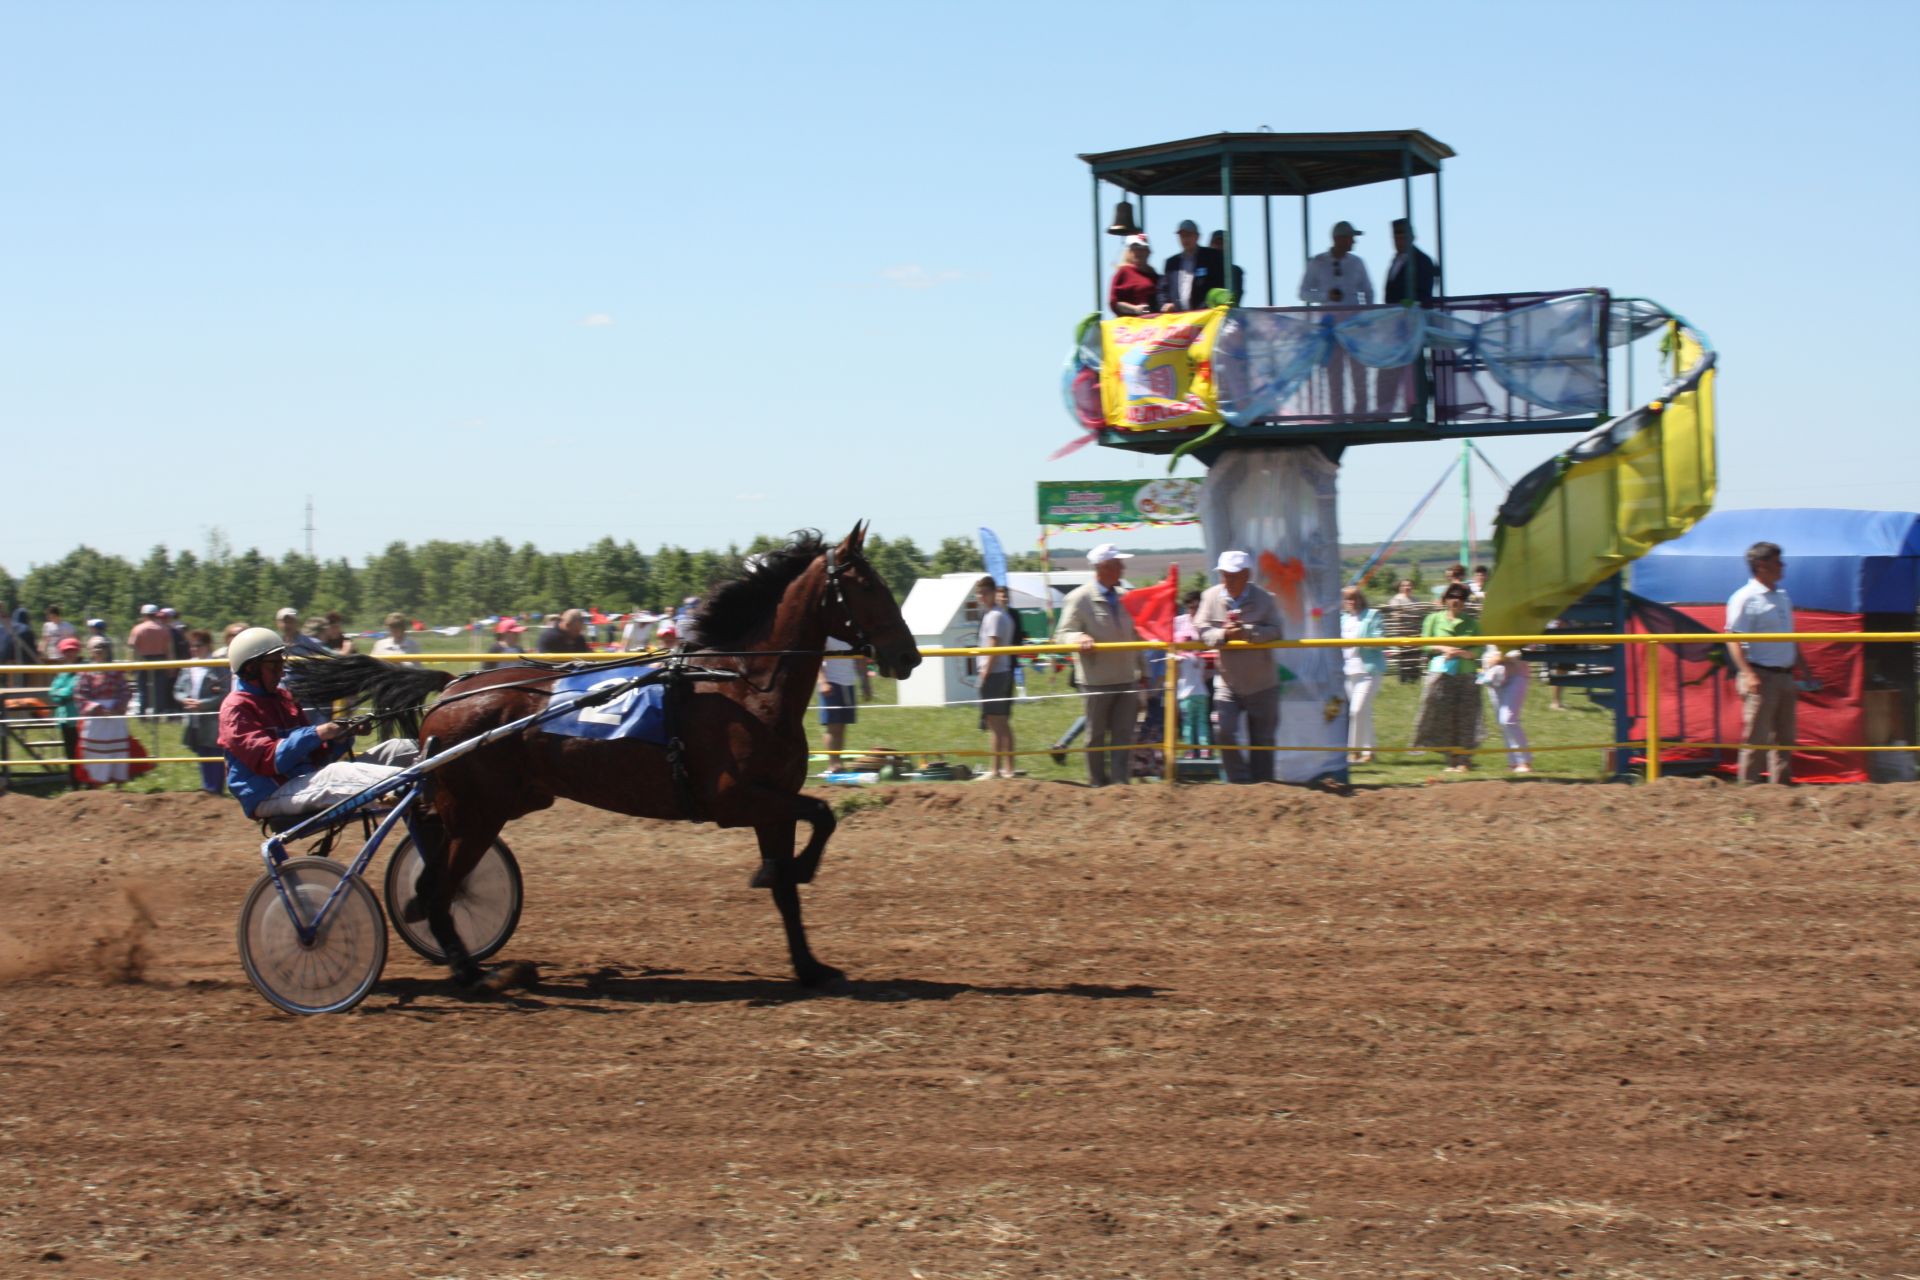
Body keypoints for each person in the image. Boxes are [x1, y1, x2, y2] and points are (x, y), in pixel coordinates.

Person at [218, 627, 417, 820]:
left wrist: (342, 735)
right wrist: (319, 732)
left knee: (397, 749)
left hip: (302, 780)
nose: (281, 673)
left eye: (282, 664)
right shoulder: (236, 708)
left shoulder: (283, 698)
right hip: (268, 794)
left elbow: (318, 756)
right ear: (251, 669)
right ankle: (414, 785)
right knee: (336, 773)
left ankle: (433, 767)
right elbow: (268, 760)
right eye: (274, 666)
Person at [1054, 544, 1149, 787]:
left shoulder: (1125, 598)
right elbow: (1062, 633)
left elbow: (1135, 637)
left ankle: (1119, 785)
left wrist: (1143, 674)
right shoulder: (1079, 598)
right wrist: (1078, 638)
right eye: (1118, 563)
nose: (1123, 568)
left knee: (1124, 736)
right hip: (1096, 680)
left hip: (1126, 678)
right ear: (1104, 567)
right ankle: (1097, 785)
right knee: (1095, 736)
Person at [1193, 550, 1286, 783]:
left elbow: (1277, 630)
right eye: (1224, 575)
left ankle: (1263, 787)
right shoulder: (1210, 597)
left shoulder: (1266, 599)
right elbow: (1201, 628)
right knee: (1223, 730)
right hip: (1228, 681)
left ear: (1247, 575)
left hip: (1262, 682)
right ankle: (1238, 783)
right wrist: (1223, 634)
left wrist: (1248, 633)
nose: (1228, 581)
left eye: (1233, 575)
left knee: (1263, 740)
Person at [1725, 540, 1811, 785]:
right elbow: (1733, 639)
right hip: (1761, 675)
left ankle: (1781, 788)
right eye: (1778, 562)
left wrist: (1803, 668)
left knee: (1785, 737)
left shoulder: (1782, 596)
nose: (1783, 566)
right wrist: (1748, 674)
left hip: (1785, 675)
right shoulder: (1745, 598)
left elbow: (1790, 636)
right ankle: (1748, 787)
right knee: (1757, 737)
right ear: (1762, 565)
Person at [1411, 583, 1483, 772]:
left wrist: (1468, 653)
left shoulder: (1472, 623)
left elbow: (1479, 647)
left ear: (1465, 602)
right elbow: (1425, 643)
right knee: (1442, 716)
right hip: (1441, 672)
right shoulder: (1433, 619)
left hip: (1466, 674)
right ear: (1445, 599)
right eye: (1452, 596)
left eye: (1460, 597)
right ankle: (1450, 758)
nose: (1456, 600)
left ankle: (1464, 759)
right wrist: (1443, 648)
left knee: (1467, 717)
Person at [174, 628, 230, 795]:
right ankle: (207, 786)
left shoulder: (218, 666)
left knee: (214, 752)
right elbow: (177, 688)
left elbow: (225, 692)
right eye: (191, 646)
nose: (194, 649)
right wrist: (184, 699)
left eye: (198, 645)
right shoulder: (188, 666)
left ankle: (215, 788)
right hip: (194, 718)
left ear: (208, 646)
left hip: (212, 718)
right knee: (201, 751)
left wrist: (203, 704)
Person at [972, 576, 1017, 779]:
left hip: (995, 673)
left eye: (984, 593)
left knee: (996, 723)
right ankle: (1005, 768)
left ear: (992, 592)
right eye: (979, 593)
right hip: (1001, 672)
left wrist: (984, 673)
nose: (981, 597)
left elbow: (993, 646)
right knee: (1000, 723)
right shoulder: (998, 614)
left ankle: (998, 769)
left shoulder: (994, 617)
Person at [75, 636, 131, 787]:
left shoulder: (117, 671)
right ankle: (96, 786)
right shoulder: (86, 672)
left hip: (115, 715)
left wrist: (119, 706)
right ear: (90, 651)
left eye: (103, 646)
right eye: (96, 647)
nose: (100, 650)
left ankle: (119, 787)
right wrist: (96, 708)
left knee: (118, 751)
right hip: (96, 718)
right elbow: (80, 694)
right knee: (96, 752)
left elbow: (125, 690)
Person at [1340, 586, 1387, 764]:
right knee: (1363, 712)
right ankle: (1369, 751)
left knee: (1356, 710)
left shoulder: (1372, 616)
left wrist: (1364, 643)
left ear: (1361, 599)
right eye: (1347, 599)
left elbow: (1379, 638)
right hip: (1348, 670)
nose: (1351, 602)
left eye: (1354, 598)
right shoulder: (1342, 619)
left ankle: (1354, 752)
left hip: (1368, 670)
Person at [1479, 642, 1533, 774]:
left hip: (1517, 674)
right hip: (1494, 675)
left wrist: (1502, 657)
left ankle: (1524, 761)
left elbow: (1528, 648)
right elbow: (1488, 648)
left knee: (1508, 719)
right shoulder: (1490, 626)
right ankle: (1513, 762)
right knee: (1502, 721)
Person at [1172, 590, 1212, 760]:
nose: (1193, 611)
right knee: (1198, 722)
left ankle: (1194, 750)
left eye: (1196, 607)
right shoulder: (1179, 623)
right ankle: (1202, 749)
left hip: (1190, 693)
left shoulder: (1185, 658)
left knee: (1192, 723)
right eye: (1190, 607)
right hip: (1198, 692)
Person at [1298, 220, 1373, 306]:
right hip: (1328, 318)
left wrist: (1367, 313)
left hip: (1353, 318)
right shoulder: (1317, 262)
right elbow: (1303, 293)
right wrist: (1326, 296)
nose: (1353, 241)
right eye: (1350, 237)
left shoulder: (1357, 263)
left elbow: (1368, 291)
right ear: (1338, 239)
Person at [1160, 219, 1229, 312]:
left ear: (1197, 237)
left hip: (1204, 316)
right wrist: (1165, 304)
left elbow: (1219, 284)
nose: (1185, 239)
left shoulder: (1212, 257)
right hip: (1178, 319)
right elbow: (1162, 289)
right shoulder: (1171, 263)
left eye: (1188, 235)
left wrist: (1206, 306)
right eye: (1182, 236)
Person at [817, 636, 859, 768]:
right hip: (831, 683)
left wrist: (865, 683)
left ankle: (838, 762)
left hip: (849, 683)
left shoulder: (851, 633)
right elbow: (817, 658)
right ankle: (832, 764)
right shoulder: (828, 636)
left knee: (842, 727)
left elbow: (860, 658)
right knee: (833, 726)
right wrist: (822, 682)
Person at [126, 604, 171, 716]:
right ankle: (158, 713)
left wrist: (130, 665)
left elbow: (132, 649)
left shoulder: (138, 629)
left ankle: (142, 713)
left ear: (143, 615)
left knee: (142, 689)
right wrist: (171, 665)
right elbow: (169, 650)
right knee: (159, 689)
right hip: (160, 660)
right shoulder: (164, 629)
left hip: (143, 660)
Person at [47, 637, 83, 780]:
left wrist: (61, 693)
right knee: (69, 752)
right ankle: (74, 782)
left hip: (78, 717)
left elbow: (72, 689)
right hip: (64, 717)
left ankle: (85, 781)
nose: (69, 653)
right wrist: (63, 693)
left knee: (82, 751)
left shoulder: (82, 669)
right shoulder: (61, 672)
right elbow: (52, 693)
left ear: (77, 651)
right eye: (66, 651)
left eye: (72, 650)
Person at [1381, 217, 1439, 305]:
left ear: (1411, 237)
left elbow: (1423, 293)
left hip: (1413, 314)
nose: (1399, 242)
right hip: (1394, 315)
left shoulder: (1422, 260)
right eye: (1396, 238)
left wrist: (1405, 305)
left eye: (1402, 238)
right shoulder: (1395, 261)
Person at [1108, 234, 1161, 317]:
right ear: (1129, 252)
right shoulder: (1123, 272)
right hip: (1129, 326)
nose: (1138, 252)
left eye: (1142, 249)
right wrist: (1135, 309)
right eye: (1135, 249)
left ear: (1148, 252)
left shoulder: (1155, 276)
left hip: (1153, 325)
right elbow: (1114, 303)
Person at [1207, 230, 1247, 304]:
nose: (1219, 247)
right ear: (1210, 246)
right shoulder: (1204, 271)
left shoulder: (1235, 271)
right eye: (1216, 243)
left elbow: (1235, 298)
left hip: (1226, 314)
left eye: (1223, 244)